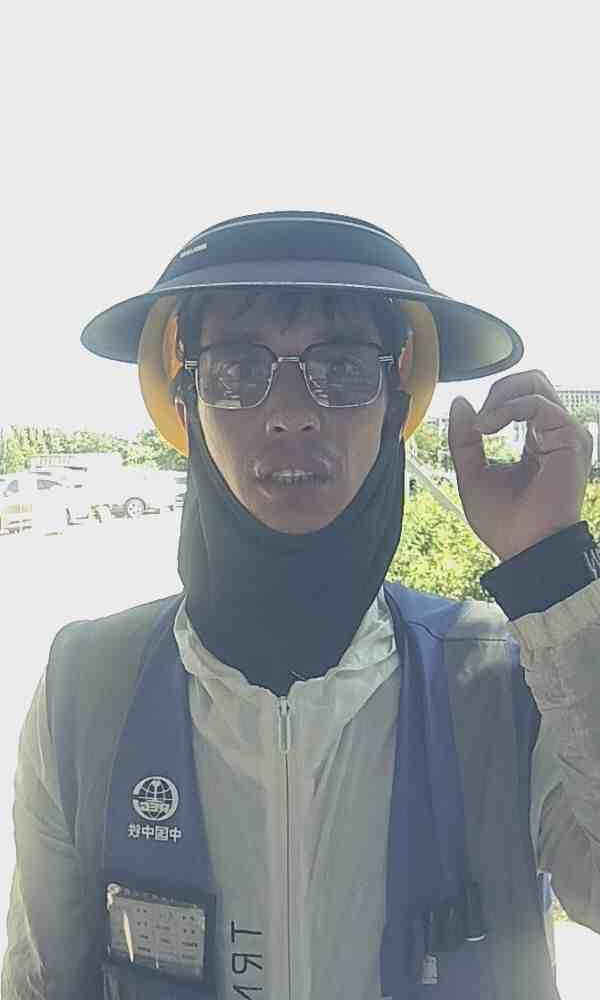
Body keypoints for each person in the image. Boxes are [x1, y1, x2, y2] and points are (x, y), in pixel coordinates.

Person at [3, 210, 600, 999]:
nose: (291, 412)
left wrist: (552, 573)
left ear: (395, 406)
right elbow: (44, 982)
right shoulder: (87, 688)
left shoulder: (504, 676)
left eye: (342, 366)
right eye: (238, 369)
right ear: (186, 404)